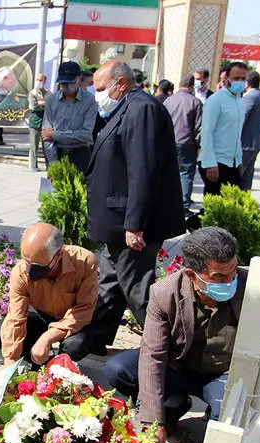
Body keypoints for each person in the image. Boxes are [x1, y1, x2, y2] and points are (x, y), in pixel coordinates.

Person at [103, 227, 246, 443]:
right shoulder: (165, 293)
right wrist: (153, 421)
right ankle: (172, 404)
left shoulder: (250, 285)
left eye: (233, 272)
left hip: (221, 373)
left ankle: (212, 415)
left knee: (227, 419)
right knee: (118, 369)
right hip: (179, 366)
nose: (229, 281)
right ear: (191, 275)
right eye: (219, 277)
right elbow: (153, 355)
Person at [81, 61, 186, 357]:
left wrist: (135, 224)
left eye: (101, 89)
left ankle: (171, 352)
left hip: (132, 224)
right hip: (118, 220)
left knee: (137, 289)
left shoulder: (143, 110)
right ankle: (93, 339)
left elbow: (143, 171)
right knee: (110, 281)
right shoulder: (124, 108)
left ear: (122, 83)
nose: (96, 94)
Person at [0, 223, 98, 365]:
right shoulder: (20, 272)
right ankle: (41, 360)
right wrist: (10, 361)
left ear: (58, 256)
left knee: (76, 345)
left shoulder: (85, 262)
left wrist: (47, 337)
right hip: (40, 315)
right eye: (26, 261)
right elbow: (15, 318)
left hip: (73, 319)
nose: (30, 270)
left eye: (38, 265)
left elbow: (83, 311)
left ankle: (61, 366)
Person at [198, 61, 248, 195]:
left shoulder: (239, 101)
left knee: (230, 208)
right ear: (226, 78)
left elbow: (236, 134)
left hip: (232, 163)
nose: (240, 82)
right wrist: (210, 162)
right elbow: (207, 132)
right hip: (216, 162)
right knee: (214, 209)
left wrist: (239, 159)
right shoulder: (216, 100)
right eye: (236, 78)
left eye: (243, 79)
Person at [41, 61, 97, 172]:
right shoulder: (52, 100)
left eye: (70, 82)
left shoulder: (89, 100)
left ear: (78, 79)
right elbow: (46, 137)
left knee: (80, 188)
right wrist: (54, 166)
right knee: (52, 189)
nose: (66, 86)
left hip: (80, 155)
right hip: (56, 154)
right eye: (63, 83)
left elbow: (86, 135)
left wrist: (55, 135)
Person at [163, 74, 203, 212]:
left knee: (169, 173)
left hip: (169, 142)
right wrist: (199, 146)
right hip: (187, 143)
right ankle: (183, 205)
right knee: (186, 174)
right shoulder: (195, 102)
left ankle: (168, 202)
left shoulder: (169, 101)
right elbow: (199, 127)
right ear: (192, 86)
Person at [239, 71, 260, 191]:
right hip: (255, 142)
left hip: (246, 142)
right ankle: (244, 199)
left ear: (247, 83)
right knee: (247, 174)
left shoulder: (250, 97)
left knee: (238, 174)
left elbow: (242, 118)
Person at [27, 72, 49, 166]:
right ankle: (33, 165)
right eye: (37, 80)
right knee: (34, 145)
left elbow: (51, 105)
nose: (38, 82)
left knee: (47, 145)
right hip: (35, 121)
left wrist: (41, 103)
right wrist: (43, 103)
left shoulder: (48, 93)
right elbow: (33, 106)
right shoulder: (32, 93)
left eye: (40, 80)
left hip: (45, 122)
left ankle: (48, 165)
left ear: (45, 81)